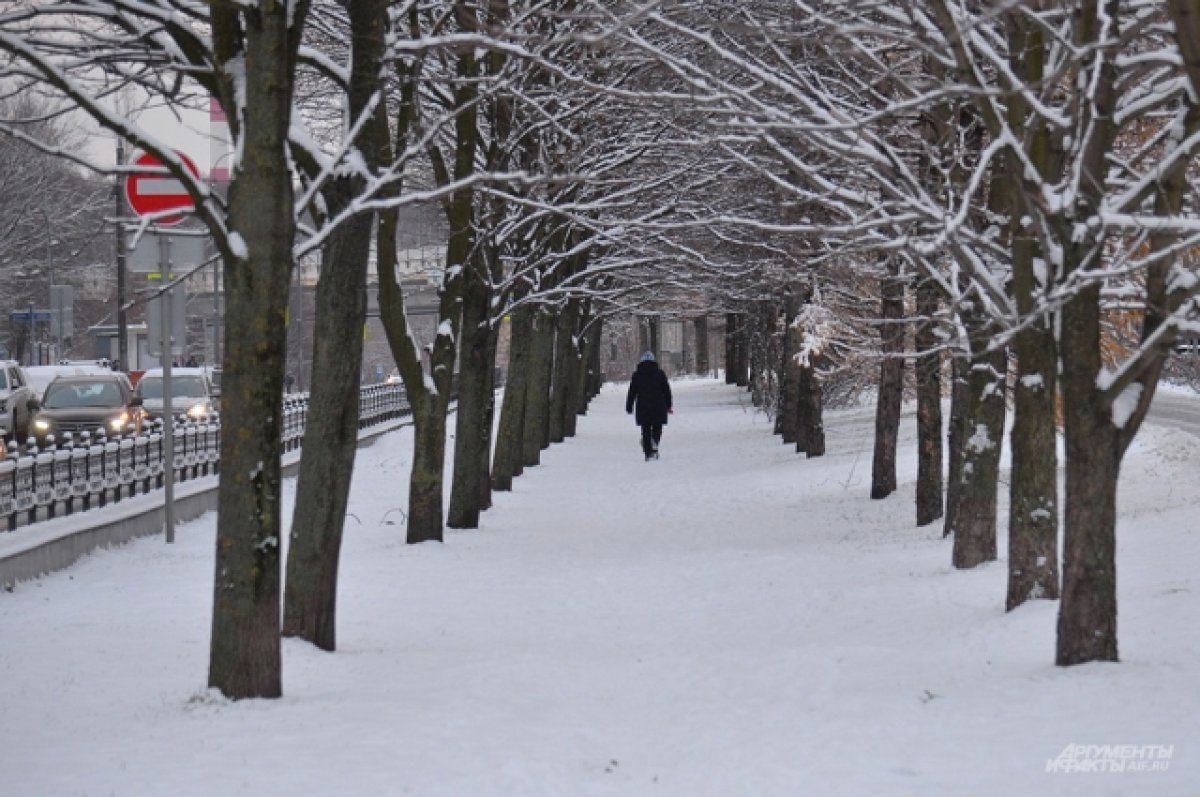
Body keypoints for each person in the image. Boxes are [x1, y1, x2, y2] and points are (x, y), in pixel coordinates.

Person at [626, 351, 673, 461]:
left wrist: (629, 406)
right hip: (658, 405)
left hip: (643, 406)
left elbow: (632, 391)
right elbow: (666, 390)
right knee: (657, 427)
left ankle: (648, 452)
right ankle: (655, 441)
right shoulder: (660, 374)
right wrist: (668, 404)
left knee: (645, 429)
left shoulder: (637, 375)